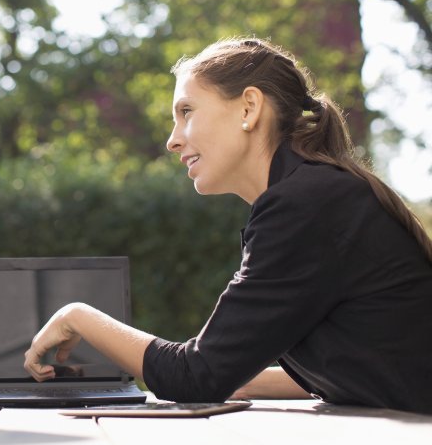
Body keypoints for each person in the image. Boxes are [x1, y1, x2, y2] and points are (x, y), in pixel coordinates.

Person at [24, 37, 432, 414]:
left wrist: (77, 315)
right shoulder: (313, 194)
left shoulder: (305, 205)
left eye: (186, 112)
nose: (172, 140)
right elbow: (364, 364)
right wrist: (235, 376)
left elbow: (194, 377)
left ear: (248, 109)